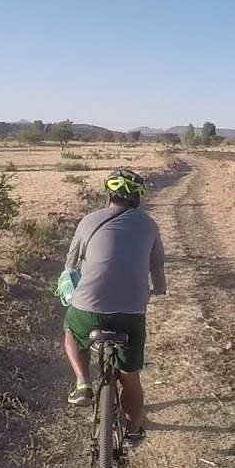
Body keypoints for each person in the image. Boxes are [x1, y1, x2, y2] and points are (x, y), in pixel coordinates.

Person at [62, 168, 166, 449]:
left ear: (108, 194)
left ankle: (83, 382)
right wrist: (159, 289)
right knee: (130, 379)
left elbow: (70, 265)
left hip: (88, 307)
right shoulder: (149, 225)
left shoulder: (89, 220)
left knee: (72, 329)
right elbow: (156, 266)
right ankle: (132, 432)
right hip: (131, 311)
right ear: (138, 198)